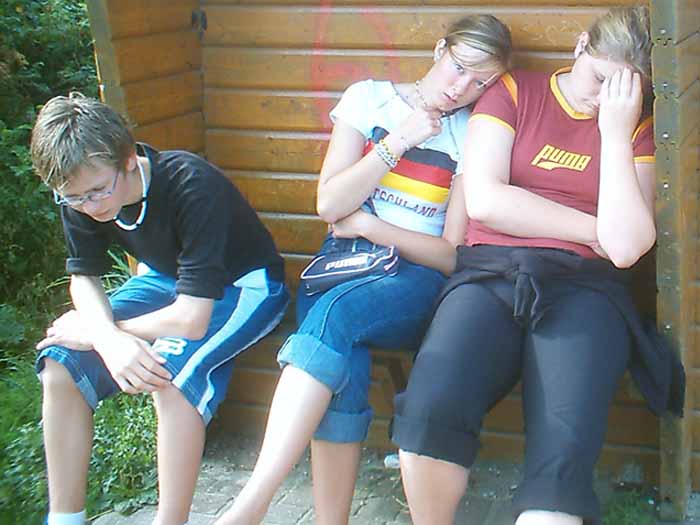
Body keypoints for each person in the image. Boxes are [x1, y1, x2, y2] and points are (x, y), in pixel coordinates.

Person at [215, 14, 513, 525]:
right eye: (460, 67)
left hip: (412, 278)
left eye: (481, 82)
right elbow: (330, 204)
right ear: (439, 50)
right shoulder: (368, 99)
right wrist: (399, 140)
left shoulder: (472, 133)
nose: (462, 88)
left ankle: (251, 504)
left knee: (334, 318)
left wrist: (373, 228)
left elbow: (449, 254)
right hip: (341, 265)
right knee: (343, 361)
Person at [391, 6, 684, 525]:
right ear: (580, 46)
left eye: (623, 90)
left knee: (563, 452)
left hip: (587, 288)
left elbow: (628, 247)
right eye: (599, 80)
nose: (603, 98)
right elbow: (485, 200)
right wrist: (595, 229)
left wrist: (614, 134)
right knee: (429, 409)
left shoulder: (633, 127)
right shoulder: (515, 92)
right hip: (490, 273)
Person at [31, 93, 290, 525]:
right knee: (60, 363)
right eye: (73, 198)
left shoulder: (190, 183)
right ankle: (64, 519)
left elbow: (192, 319)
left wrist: (105, 333)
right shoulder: (79, 191)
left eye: (98, 192)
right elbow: (84, 277)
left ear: (128, 159)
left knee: (166, 376)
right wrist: (108, 339)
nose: (89, 207)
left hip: (245, 286)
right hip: (166, 279)